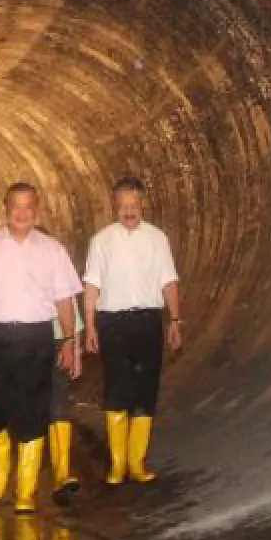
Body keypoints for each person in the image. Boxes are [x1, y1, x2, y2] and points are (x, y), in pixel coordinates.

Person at [0, 182, 81, 513]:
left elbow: (65, 300)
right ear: (5, 210)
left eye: (28, 206)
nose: (21, 213)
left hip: (36, 338)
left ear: (37, 209)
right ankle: (2, 465)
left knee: (33, 411)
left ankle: (25, 490)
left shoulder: (52, 250)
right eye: (15, 207)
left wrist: (69, 341)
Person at [83, 176, 182, 484]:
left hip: (148, 320)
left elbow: (169, 281)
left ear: (142, 204)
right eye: (123, 205)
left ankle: (136, 462)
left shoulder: (157, 239)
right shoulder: (101, 241)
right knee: (117, 388)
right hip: (112, 322)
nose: (129, 210)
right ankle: (117, 464)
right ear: (115, 206)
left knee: (145, 389)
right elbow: (91, 286)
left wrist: (176, 320)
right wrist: (89, 327)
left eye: (134, 204)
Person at [35, 225, 85, 506]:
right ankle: (25, 476)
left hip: (57, 343)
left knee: (58, 405)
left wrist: (74, 351)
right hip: (26, 344)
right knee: (28, 405)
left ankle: (61, 474)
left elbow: (73, 314)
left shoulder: (58, 268)